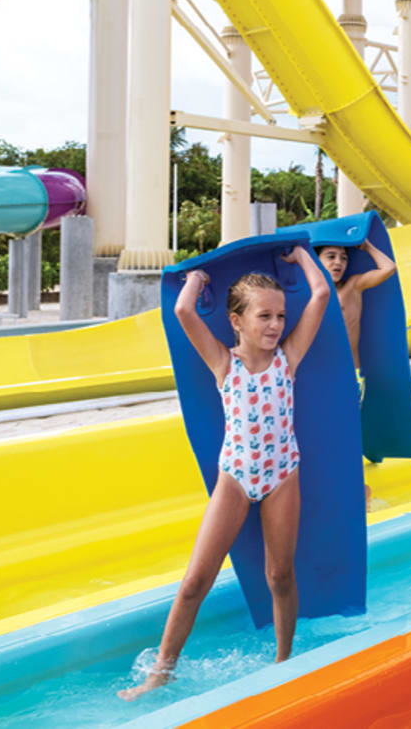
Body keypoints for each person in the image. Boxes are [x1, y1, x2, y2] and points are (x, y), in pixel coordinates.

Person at [119, 249, 331, 700]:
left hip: (282, 475)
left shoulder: (287, 359)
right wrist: (195, 277)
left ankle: (283, 660)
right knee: (196, 580)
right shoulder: (224, 364)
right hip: (235, 476)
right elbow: (182, 309)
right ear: (236, 320)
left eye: (279, 316)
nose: (275, 325)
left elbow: (318, 296)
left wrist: (301, 257)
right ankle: (161, 671)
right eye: (264, 316)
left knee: (280, 575)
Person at [317, 239, 397, 511]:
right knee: (325, 435)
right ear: (317, 261)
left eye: (342, 258)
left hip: (348, 375)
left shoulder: (353, 286)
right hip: (321, 377)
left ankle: (361, 491)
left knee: (346, 434)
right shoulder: (312, 294)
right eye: (330, 257)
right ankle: (336, 491)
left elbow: (389, 268)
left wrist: (367, 247)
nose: (338, 262)